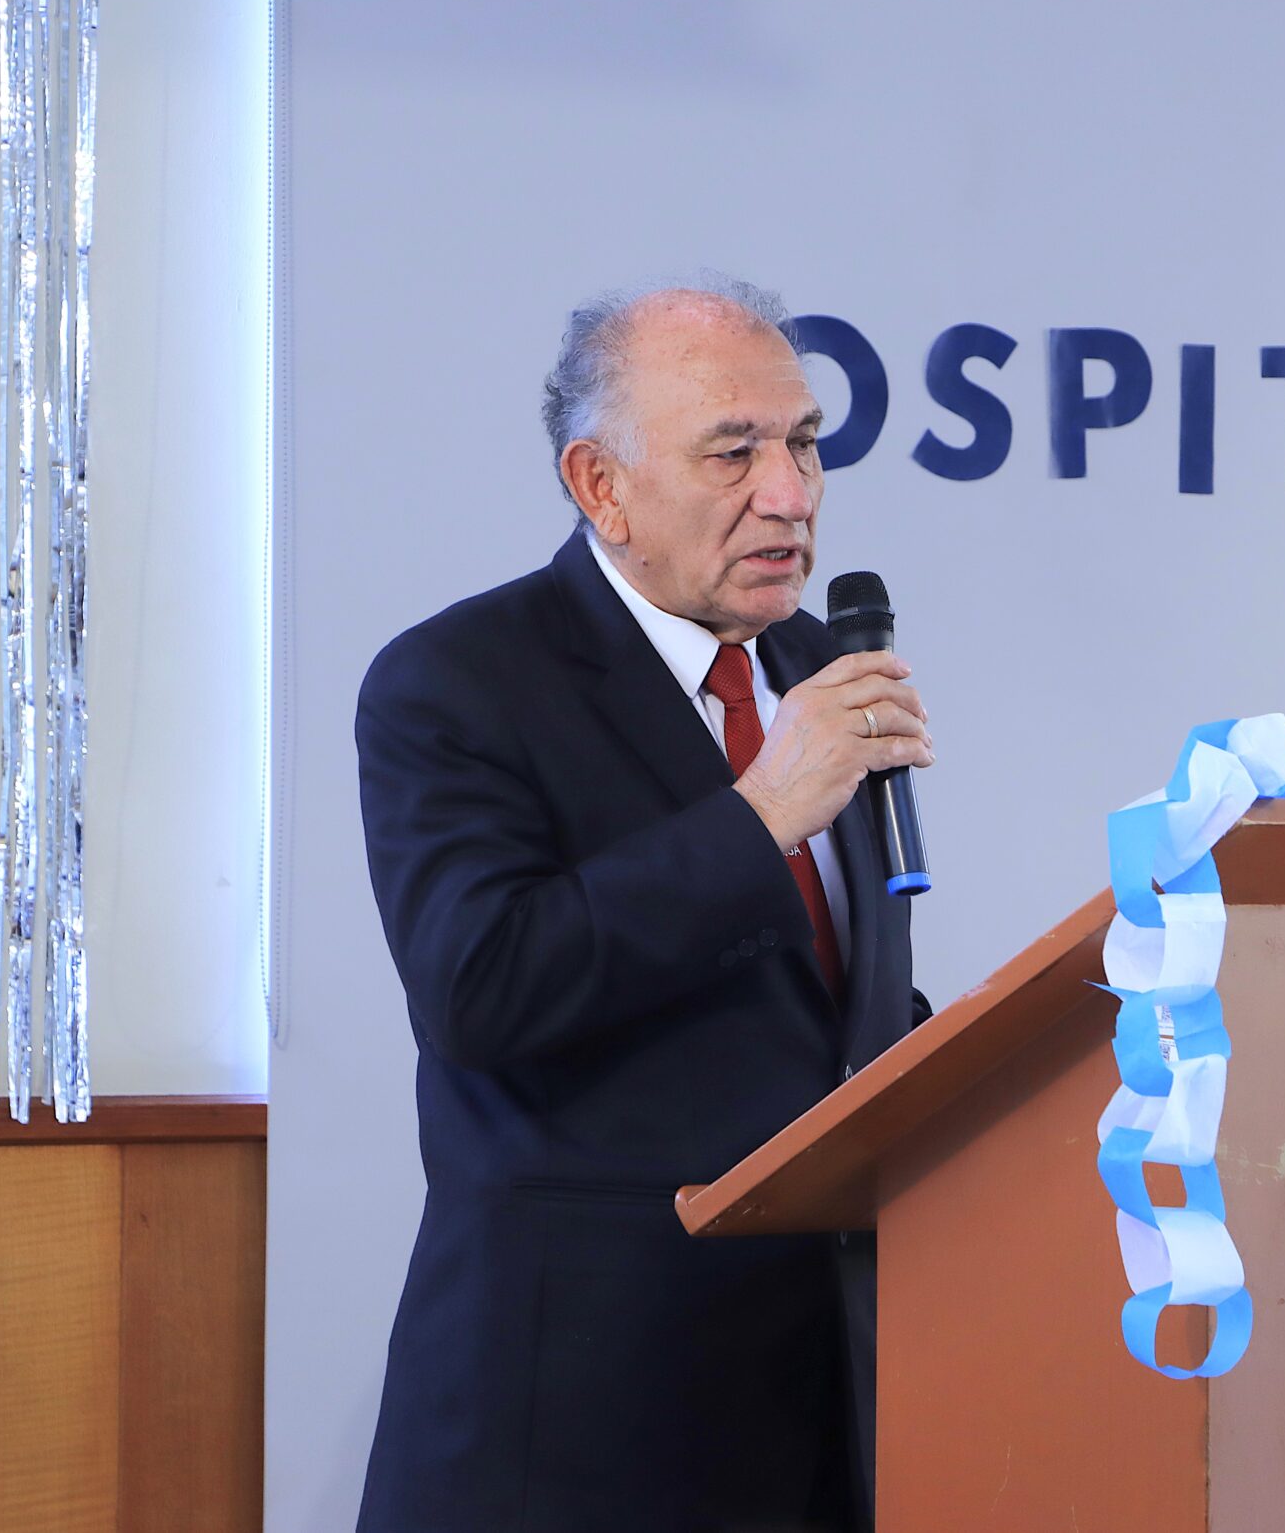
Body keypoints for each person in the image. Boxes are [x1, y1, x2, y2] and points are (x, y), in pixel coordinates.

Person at [352, 278, 936, 1533]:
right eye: (734, 453)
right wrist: (759, 815)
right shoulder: (458, 681)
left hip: (828, 1410)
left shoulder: (814, 667)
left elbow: (816, 1012)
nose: (790, 494)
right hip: (578, 1431)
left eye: (803, 445)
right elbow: (480, 987)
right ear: (600, 486)